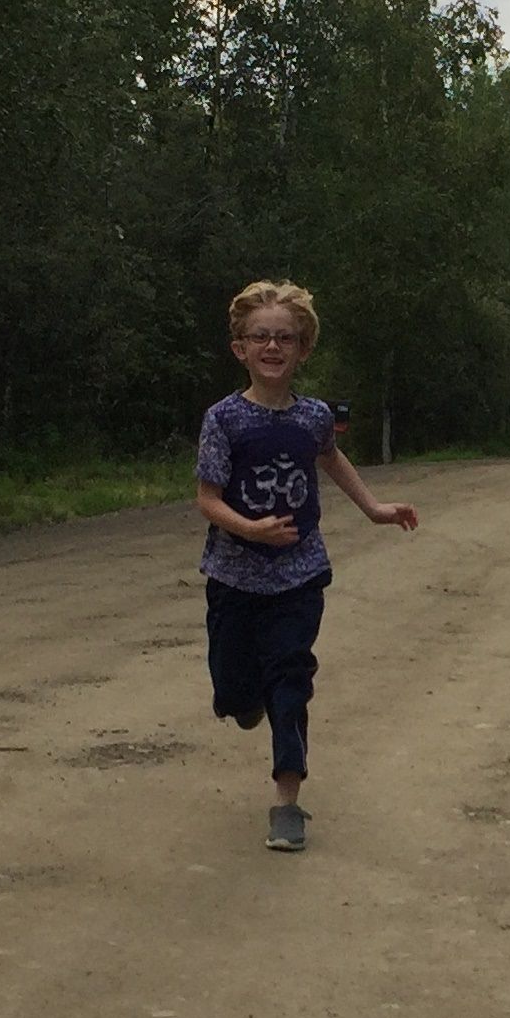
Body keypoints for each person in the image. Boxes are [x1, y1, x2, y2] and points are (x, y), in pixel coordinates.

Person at [196, 279, 418, 853]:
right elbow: (208, 498)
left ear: (303, 349)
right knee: (234, 690)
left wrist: (374, 508)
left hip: (298, 574)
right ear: (240, 348)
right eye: (261, 337)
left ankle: (286, 802)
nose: (273, 347)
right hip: (233, 577)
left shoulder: (313, 416)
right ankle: (245, 703)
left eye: (285, 338)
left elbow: (330, 456)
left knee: (291, 680)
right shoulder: (224, 419)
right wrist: (249, 529)